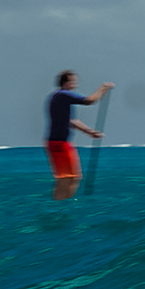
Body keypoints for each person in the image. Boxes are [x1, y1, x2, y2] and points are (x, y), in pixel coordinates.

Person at [45, 70, 111, 200]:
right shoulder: (62, 95)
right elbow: (89, 101)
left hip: (62, 142)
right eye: (72, 82)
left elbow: (71, 122)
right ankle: (60, 204)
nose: (75, 85)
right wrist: (103, 89)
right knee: (66, 177)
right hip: (58, 142)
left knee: (73, 177)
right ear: (65, 83)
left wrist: (89, 132)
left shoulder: (59, 98)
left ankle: (64, 202)